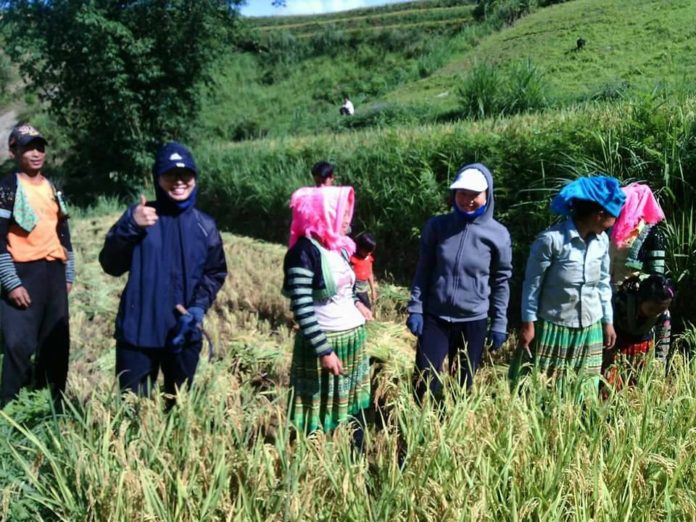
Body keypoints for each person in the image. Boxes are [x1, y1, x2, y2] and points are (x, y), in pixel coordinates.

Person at [99, 142, 227, 406]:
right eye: (170, 174)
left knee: (179, 410)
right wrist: (132, 226)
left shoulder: (205, 225)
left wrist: (198, 308)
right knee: (133, 412)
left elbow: (214, 272)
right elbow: (110, 265)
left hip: (184, 333)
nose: (179, 181)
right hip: (138, 334)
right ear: (157, 178)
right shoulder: (140, 216)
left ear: (194, 179)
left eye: (185, 174)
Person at [407, 163, 512, 401]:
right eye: (462, 193)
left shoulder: (498, 235)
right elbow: (423, 270)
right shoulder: (437, 227)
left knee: (463, 385)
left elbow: (501, 280)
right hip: (436, 317)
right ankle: (421, 420)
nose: (468, 200)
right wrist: (416, 308)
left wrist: (499, 322)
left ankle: (453, 422)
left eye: (475, 194)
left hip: (473, 320)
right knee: (425, 380)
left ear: (487, 194)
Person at [520, 175, 626, 391]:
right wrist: (528, 324)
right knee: (547, 389)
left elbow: (603, 283)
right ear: (599, 214)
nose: (615, 222)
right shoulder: (551, 240)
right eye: (613, 216)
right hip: (555, 326)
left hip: (590, 326)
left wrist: (608, 321)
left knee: (584, 390)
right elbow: (532, 285)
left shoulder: (602, 241)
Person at [282, 186, 372, 435]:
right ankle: (316, 451)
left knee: (352, 406)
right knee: (319, 409)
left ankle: (353, 451)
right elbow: (301, 308)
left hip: (352, 340)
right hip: (327, 344)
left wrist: (358, 303)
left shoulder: (339, 247)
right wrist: (324, 351)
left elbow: (346, 288)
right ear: (323, 214)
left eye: (348, 214)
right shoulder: (303, 252)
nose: (347, 220)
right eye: (342, 213)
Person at [0, 124, 74, 409]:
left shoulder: (54, 188)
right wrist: (11, 283)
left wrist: (68, 272)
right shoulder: (7, 188)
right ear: (14, 152)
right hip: (22, 273)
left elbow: (63, 232)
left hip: (53, 272)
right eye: (28, 148)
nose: (35, 153)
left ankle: (51, 407)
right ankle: (10, 411)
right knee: (18, 345)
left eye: (39, 147)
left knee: (56, 344)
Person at [603, 274, 673, 391]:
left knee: (636, 391)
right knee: (610, 389)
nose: (655, 313)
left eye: (660, 310)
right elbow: (607, 328)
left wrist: (659, 364)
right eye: (651, 309)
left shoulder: (663, 315)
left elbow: (663, 342)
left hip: (642, 353)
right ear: (641, 299)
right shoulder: (620, 302)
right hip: (617, 350)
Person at [610, 182, 666, 288]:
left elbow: (657, 276)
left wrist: (638, 280)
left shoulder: (652, 234)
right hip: (607, 293)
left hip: (633, 294)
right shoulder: (612, 229)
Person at [350, 231, 377, 310]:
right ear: (360, 247)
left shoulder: (369, 259)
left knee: (367, 308)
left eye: (370, 252)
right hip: (354, 290)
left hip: (363, 290)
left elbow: (370, 273)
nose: (369, 254)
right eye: (367, 251)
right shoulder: (353, 259)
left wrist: (373, 290)